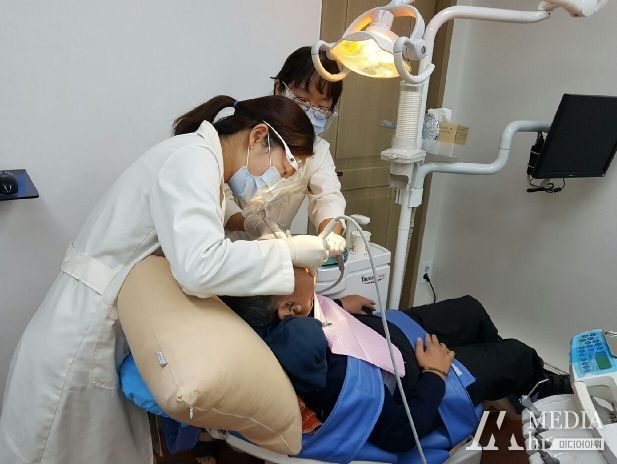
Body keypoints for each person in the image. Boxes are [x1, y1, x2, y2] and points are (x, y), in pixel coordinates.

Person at [0, 95, 340, 464]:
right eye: (285, 167)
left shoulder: (198, 159)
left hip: (95, 322)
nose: (278, 182)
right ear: (258, 137)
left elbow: (207, 214)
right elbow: (200, 266)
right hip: (80, 335)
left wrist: (250, 223)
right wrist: (289, 251)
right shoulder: (193, 161)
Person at [220, 268, 567, 453]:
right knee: (518, 355)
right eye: (299, 272)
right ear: (289, 309)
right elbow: (400, 434)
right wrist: (435, 373)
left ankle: (501, 383)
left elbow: (306, 312)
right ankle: (533, 383)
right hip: (415, 376)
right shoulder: (328, 373)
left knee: (471, 310)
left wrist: (336, 307)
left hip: (388, 334)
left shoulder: (284, 322)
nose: (309, 273)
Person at [186, 47, 347, 246]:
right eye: (303, 100)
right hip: (225, 244)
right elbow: (219, 193)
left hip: (273, 252)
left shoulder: (318, 152)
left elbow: (328, 197)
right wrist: (251, 223)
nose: (310, 113)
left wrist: (331, 235)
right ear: (280, 88)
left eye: (322, 108)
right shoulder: (241, 131)